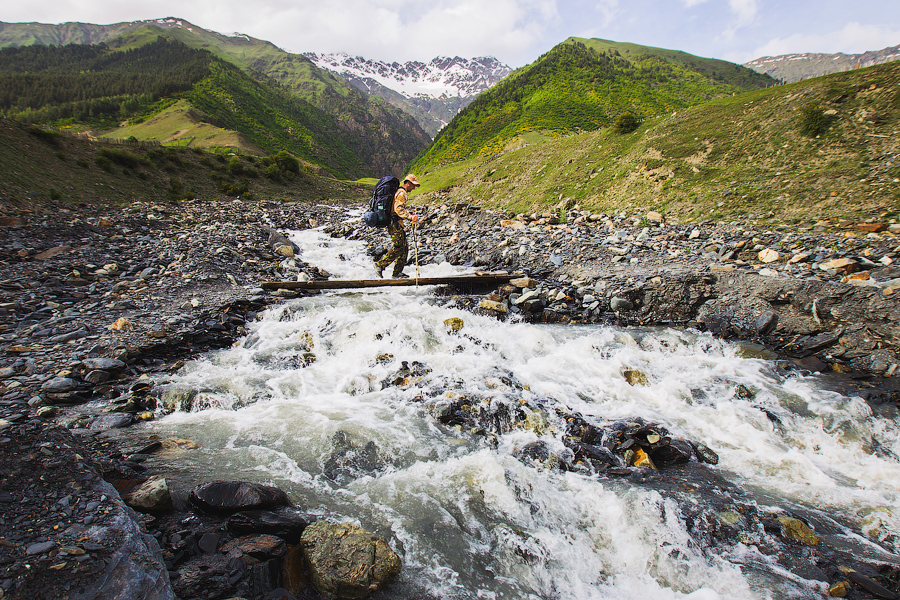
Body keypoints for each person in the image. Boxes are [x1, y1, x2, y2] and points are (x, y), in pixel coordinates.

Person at [374, 174, 420, 278]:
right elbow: (398, 209)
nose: (413, 188)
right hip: (394, 224)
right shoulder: (402, 193)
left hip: (397, 223)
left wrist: (408, 213)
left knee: (404, 248)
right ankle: (379, 265)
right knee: (399, 247)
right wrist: (410, 217)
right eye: (413, 185)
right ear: (408, 183)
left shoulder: (400, 192)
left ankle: (397, 273)